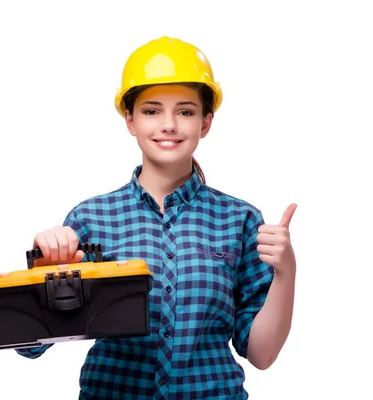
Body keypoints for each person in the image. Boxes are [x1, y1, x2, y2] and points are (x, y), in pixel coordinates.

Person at [16, 36, 297, 400]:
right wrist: (45, 273)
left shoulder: (239, 219)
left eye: (185, 111)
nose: (168, 125)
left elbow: (261, 354)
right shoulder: (90, 219)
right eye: (151, 111)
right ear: (130, 120)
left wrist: (286, 272)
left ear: (206, 122)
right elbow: (29, 345)